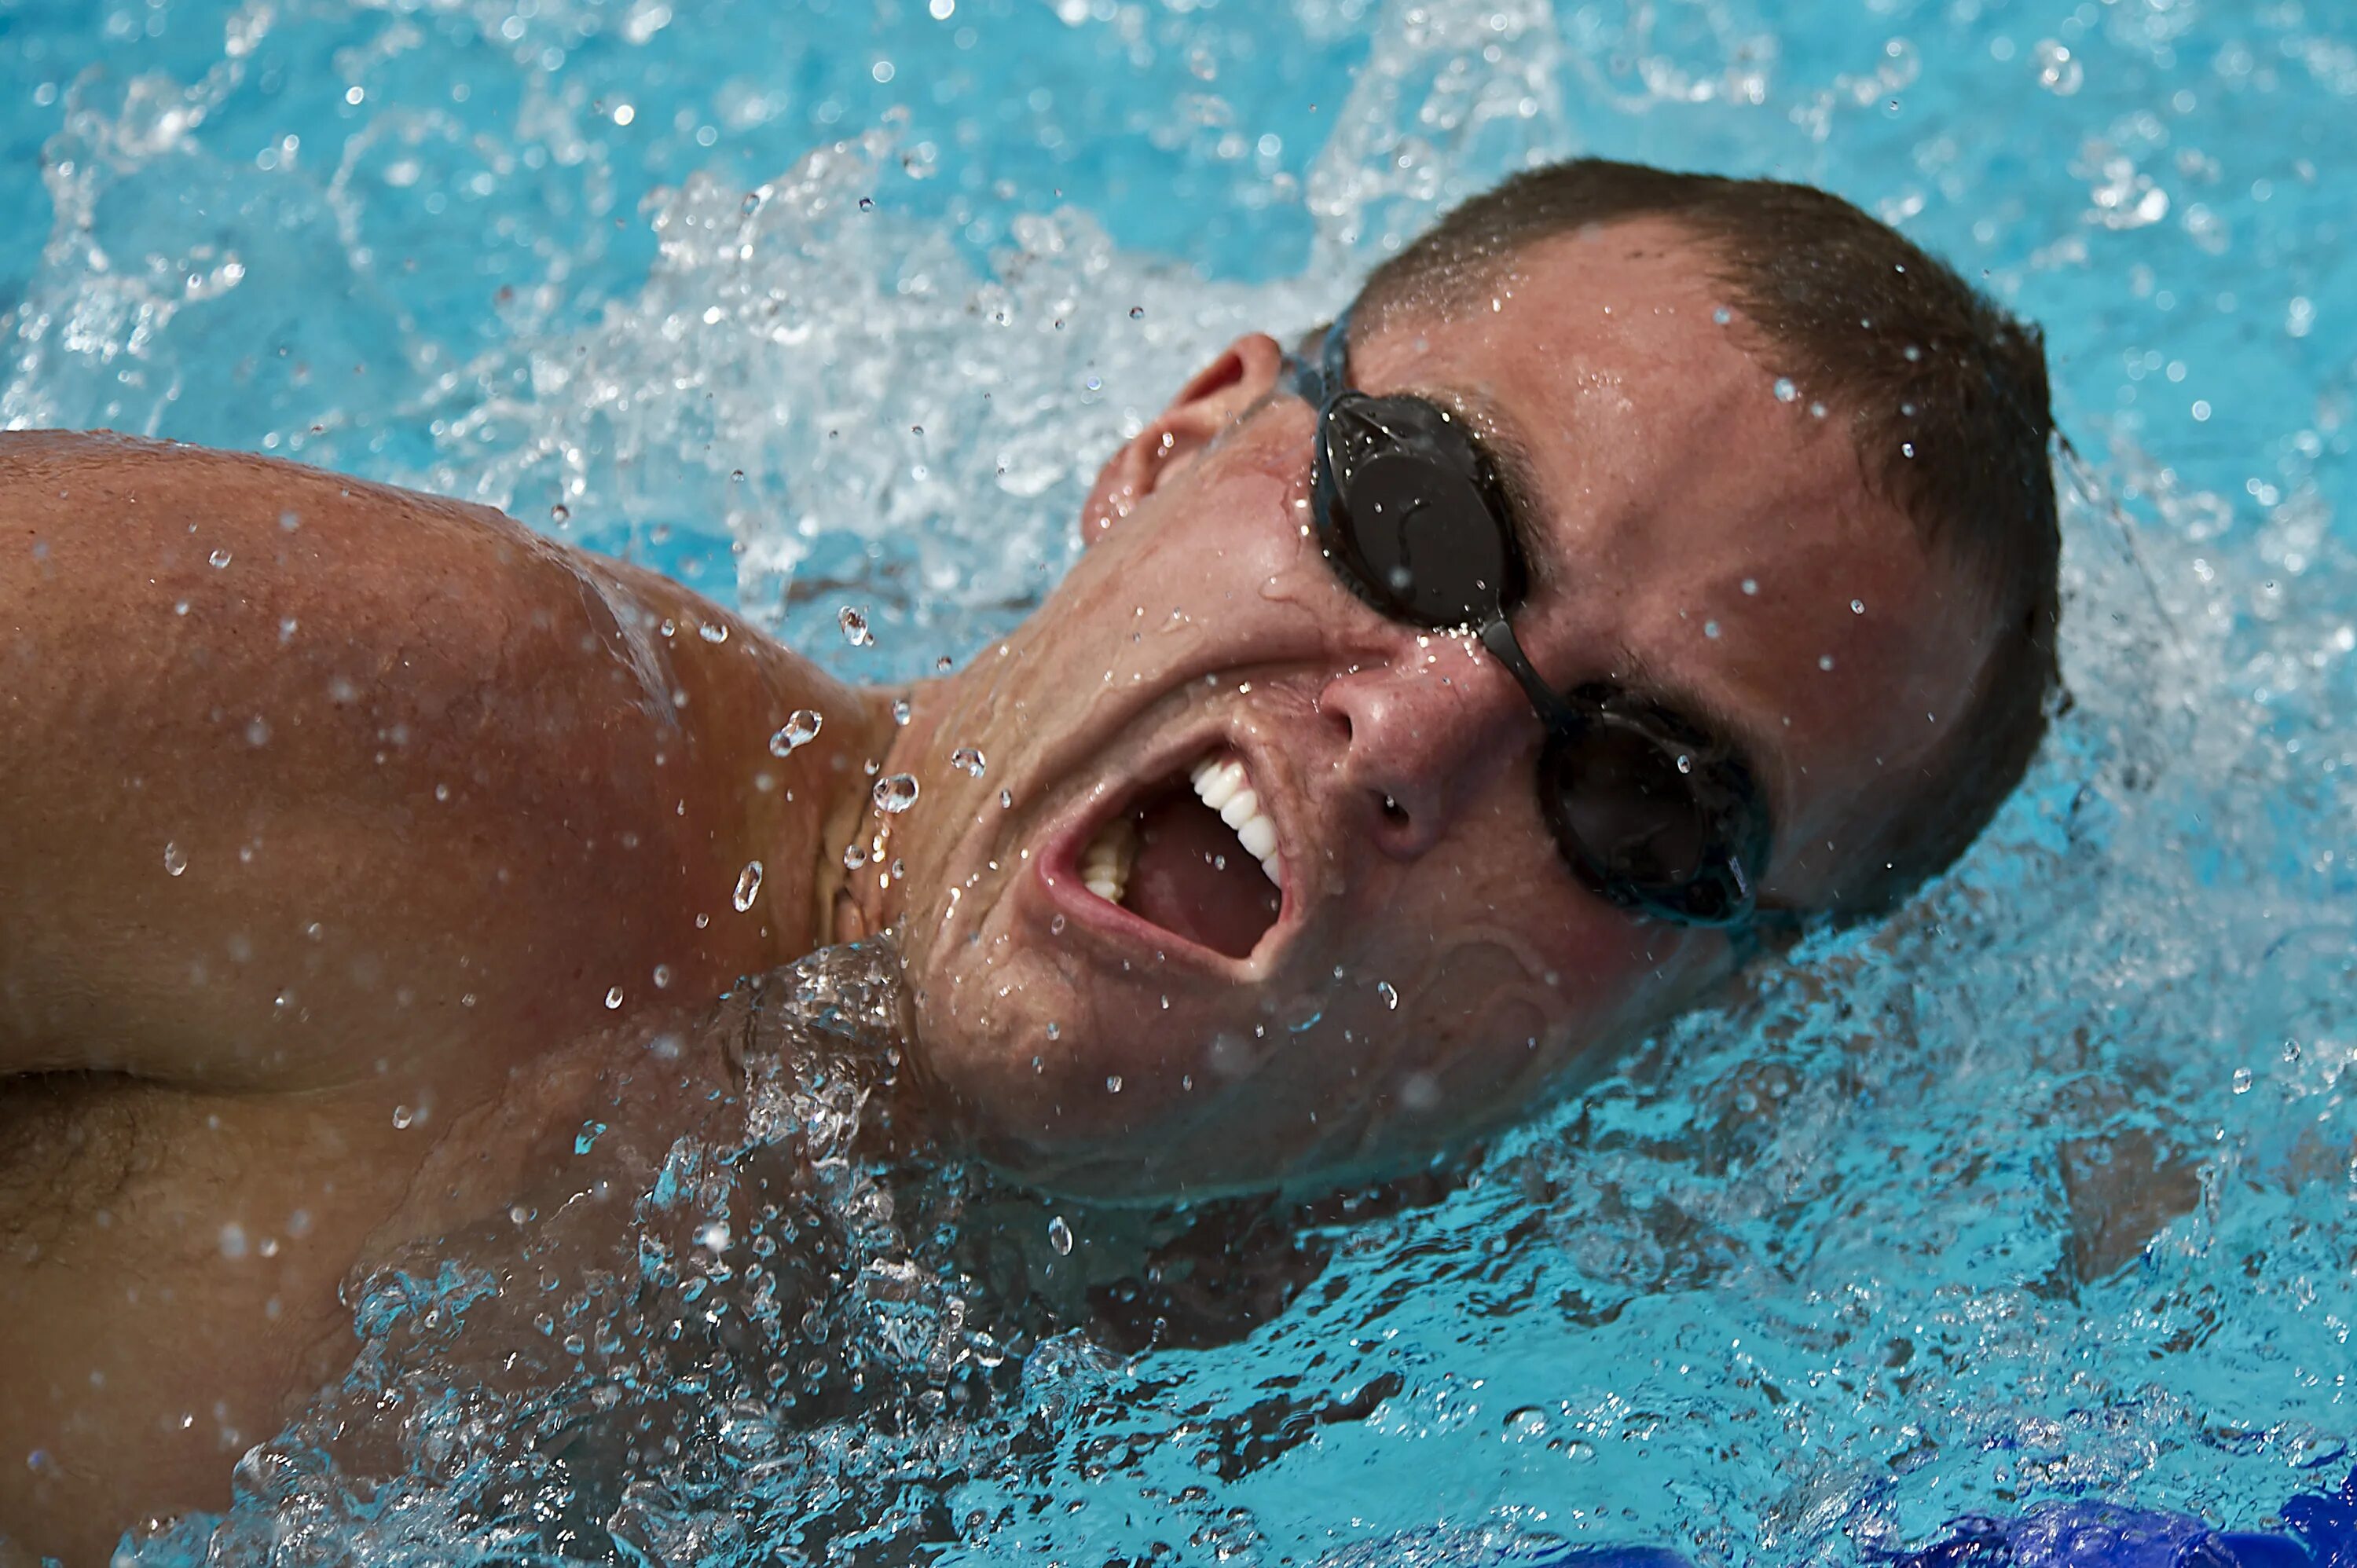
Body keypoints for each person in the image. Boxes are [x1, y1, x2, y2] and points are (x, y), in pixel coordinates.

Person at [0, 158, 2060, 1559]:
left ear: (1708, 990)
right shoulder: (423, 766)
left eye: (1647, 801)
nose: (1418, 735)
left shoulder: (1441, 1306)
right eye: (1425, 520)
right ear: (1173, 446)